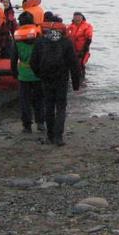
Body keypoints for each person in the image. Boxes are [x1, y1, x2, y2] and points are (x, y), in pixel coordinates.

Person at [29, 18, 81, 146]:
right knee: (61, 107)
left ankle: (50, 136)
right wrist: (76, 84)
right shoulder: (66, 42)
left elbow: (33, 62)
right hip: (61, 79)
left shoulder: (40, 41)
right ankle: (59, 137)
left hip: (46, 78)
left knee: (49, 106)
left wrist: (39, 74)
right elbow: (74, 64)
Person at [14, 11, 45, 134]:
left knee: (24, 101)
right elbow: (43, 55)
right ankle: (41, 123)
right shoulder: (39, 37)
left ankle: (27, 126)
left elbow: (13, 58)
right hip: (38, 75)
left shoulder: (17, 39)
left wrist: (14, 73)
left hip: (23, 75)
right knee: (39, 99)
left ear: (20, 23)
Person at [67, 12, 94, 77]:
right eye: (75, 17)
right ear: (73, 18)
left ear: (82, 18)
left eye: (79, 17)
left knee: (81, 64)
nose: (77, 19)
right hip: (72, 50)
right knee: (70, 65)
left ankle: (82, 79)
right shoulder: (70, 26)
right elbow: (66, 37)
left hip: (83, 49)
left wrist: (84, 50)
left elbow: (89, 38)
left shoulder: (87, 26)